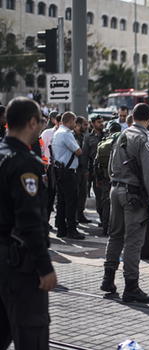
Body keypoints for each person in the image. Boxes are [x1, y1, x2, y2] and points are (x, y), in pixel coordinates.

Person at [0, 97, 57, 350]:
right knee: (31, 335)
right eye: (40, 122)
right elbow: (30, 221)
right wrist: (45, 267)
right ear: (32, 122)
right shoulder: (24, 163)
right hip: (19, 266)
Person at [101, 103, 149, 303]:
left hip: (116, 189)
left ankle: (108, 279)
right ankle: (131, 287)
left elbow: (111, 164)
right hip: (133, 195)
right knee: (134, 241)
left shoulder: (122, 134)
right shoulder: (145, 137)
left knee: (115, 236)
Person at [52, 112, 84, 239]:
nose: (75, 124)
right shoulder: (66, 134)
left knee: (61, 201)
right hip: (68, 172)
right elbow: (78, 151)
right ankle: (71, 230)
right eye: (74, 121)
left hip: (59, 170)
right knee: (71, 201)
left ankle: (61, 229)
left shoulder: (57, 133)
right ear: (70, 121)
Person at [94, 120, 121, 236]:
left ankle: (105, 229)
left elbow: (96, 163)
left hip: (105, 179)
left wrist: (98, 179)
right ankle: (116, 230)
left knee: (106, 204)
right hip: (120, 179)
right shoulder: (123, 141)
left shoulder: (103, 143)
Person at [83, 114, 106, 226]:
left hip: (107, 170)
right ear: (92, 124)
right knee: (99, 197)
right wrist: (86, 171)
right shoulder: (88, 137)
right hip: (95, 172)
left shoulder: (106, 135)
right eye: (98, 122)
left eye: (102, 122)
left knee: (107, 197)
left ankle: (106, 219)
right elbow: (85, 156)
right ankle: (102, 217)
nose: (101, 124)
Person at [74, 116, 91, 224]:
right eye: (85, 124)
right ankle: (73, 216)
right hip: (75, 169)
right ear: (78, 125)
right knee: (75, 194)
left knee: (82, 194)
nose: (87, 126)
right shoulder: (72, 136)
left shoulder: (84, 136)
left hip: (83, 169)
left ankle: (80, 215)